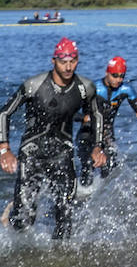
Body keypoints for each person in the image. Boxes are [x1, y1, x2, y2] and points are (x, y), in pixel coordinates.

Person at [0, 37, 105, 239]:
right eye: (63, 61)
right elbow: (4, 113)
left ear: (77, 60)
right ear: (53, 61)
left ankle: (60, 259)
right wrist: (5, 149)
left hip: (62, 153)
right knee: (24, 219)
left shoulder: (85, 87)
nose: (68, 67)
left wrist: (97, 147)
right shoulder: (34, 85)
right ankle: (10, 218)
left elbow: (96, 114)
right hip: (32, 153)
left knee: (65, 214)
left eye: (72, 61)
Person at [77, 55, 137, 189]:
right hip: (87, 132)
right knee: (87, 166)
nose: (118, 80)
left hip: (107, 133)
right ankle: (81, 195)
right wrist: (83, 118)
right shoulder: (93, 88)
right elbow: (71, 112)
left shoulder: (126, 89)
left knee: (110, 168)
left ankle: (101, 196)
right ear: (107, 73)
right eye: (115, 75)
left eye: (122, 76)